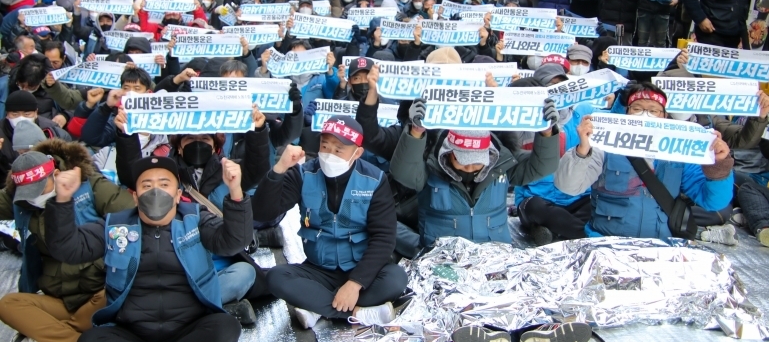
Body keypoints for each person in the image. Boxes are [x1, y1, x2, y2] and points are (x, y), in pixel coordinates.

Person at [44, 155, 251, 342]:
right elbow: (68, 249)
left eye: (163, 184)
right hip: (132, 331)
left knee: (225, 327)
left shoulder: (195, 219)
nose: (155, 191)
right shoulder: (115, 226)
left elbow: (234, 241)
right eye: (146, 185)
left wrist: (235, 192)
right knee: (91, 338)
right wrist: (62, 201)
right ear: (135, 196)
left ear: (178, 195)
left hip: (189, 328)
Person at [253, 116, 408, 329]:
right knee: (277, 278)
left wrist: (355, 284)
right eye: (324, 146)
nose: (329, 154)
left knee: (396, 278)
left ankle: (317, 307)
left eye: (338, 150)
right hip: (318, 270)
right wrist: (279, 169)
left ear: (357, 153)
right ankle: (358, 314)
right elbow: (263, 212)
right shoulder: (304, 173)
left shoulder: (374, 180)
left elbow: (384, 237)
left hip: (360, 269)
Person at [554, 83, 734, 239]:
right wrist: (583, 149)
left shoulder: (680, 152)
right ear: (627, 112)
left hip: (660, 248)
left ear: (664, 116)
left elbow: (714, 202)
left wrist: (718, 165)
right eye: (637, 108)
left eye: (653, 110)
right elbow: (568, 187)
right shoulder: (603, 146)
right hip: (607, 244)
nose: (645, 114)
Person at [0, 142, 135, 342]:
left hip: (101, 291)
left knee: (119, 297)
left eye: (40, 188)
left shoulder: (89, 186)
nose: (35, 196)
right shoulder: (20, 201)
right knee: (9, 304)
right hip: (61, 298)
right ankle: (76, 336)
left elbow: (131, 219)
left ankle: (62, 331)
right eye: (29, 192)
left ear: (55, 174)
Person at [388, 96, 560, 247]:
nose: (469, 169)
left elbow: (541, 166)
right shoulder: (431, 166)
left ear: (489, 155)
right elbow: (404, 172)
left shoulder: (503, 164)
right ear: (448, 153)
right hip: (442, 256)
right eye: (462, 162)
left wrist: (547, 132)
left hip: (493, 255)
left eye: (477, 163)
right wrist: (415, 132)